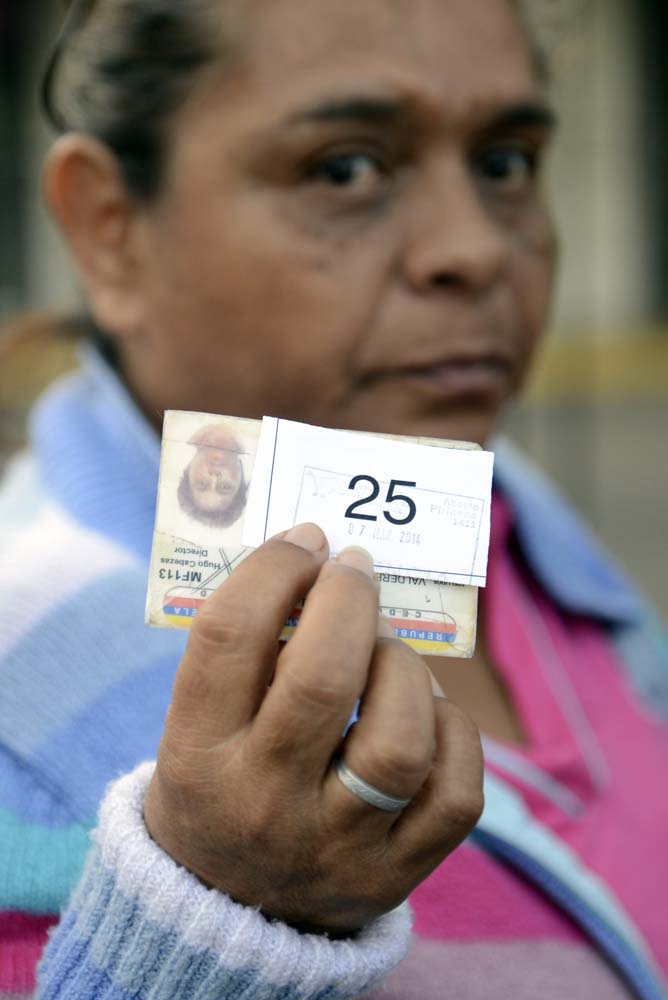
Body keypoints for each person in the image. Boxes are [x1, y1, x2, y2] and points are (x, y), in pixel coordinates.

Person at [0, 1, 666, 998]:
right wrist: (210, 917)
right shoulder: (24, 696)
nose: (474, 249)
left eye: (504, 161)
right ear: (111, 231)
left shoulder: (521, 524)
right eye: (343, 168)